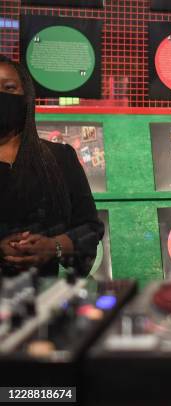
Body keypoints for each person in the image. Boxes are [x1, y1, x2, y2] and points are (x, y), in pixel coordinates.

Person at [0, 55, 103, 276]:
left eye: (9, 88)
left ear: (26, 97)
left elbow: (89, 228)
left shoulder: (59, 157)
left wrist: (54, 246)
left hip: (44, 297)